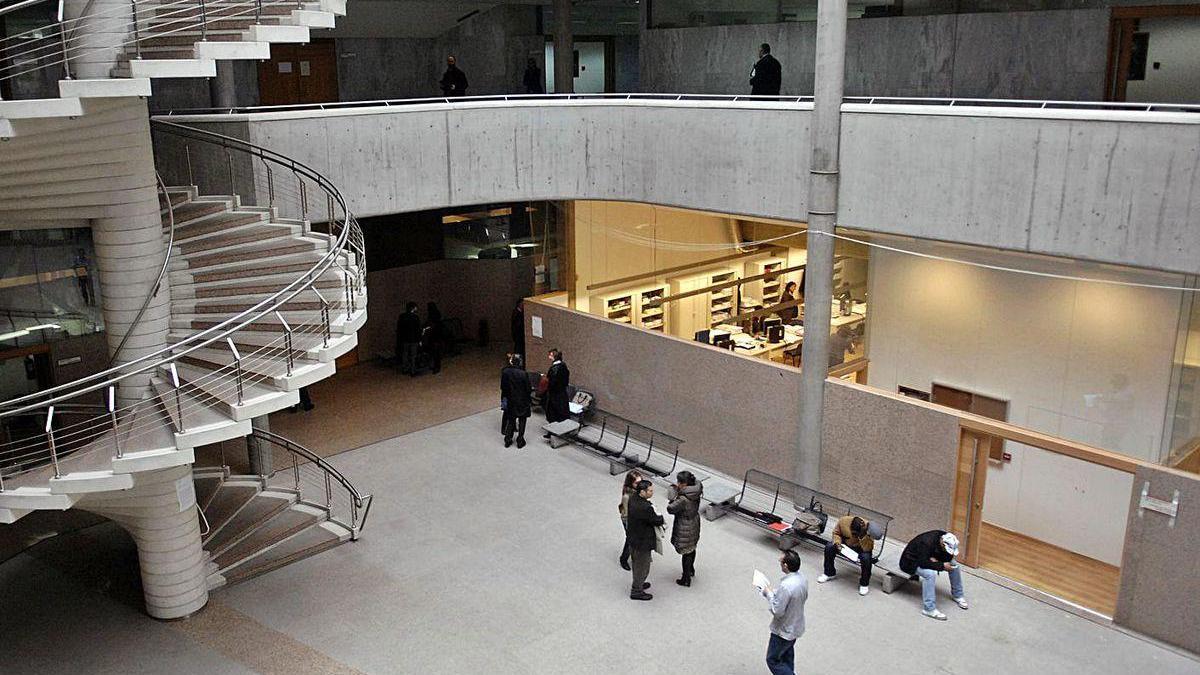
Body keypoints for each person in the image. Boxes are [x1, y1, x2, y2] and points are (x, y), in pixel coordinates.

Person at [899, 530, 969, 621]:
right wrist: (941, 566)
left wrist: (938, 561)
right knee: (930, 574)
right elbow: (923, 563)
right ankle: (929, 608)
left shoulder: (944, 537)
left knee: (954, 565)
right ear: (943, 544)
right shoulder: (926, 542)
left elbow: (948, 557)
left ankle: (958, 595)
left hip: (927, 557)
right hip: (910, 562)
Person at [760, 549, 808, 675]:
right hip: (796, 625)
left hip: (783, 630)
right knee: (787, 654)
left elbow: (778, 610)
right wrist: (775, 592)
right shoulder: (802, 578)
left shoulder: (786, 586)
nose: (779, 561)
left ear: (786, 565)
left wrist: (768, 594)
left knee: (773, 660)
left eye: (781, 561)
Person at [817, 515, 875, 595]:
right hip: (846, 544)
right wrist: (837, 543)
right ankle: (829, 573)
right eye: (854, 534)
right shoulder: (843, 521)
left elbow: (869, 548)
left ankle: (864, 583)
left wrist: (862, 536)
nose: (855, 536)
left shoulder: (868, 528)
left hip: (861, 547)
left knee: (866, 558)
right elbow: (836, 533)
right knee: (829, 547)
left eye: (857, 534)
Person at [625, 479, 663, 601]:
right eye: (650, 491)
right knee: (642, 567)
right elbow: (657, 520)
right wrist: (660, 516)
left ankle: (639, 584)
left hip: (633, 538)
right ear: (642, 492)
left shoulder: (633, 499)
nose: (652, 493)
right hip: (642, 542)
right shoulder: (645, 507)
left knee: (637, 564)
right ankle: (636, 590)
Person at [666, 470, 702, 587]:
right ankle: (691, 570)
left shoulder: (683, 499)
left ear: (684, 484)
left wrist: (673, 495)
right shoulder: (696, 490)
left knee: (685, 552)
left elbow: (670, 509)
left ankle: (685, 578)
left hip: (684, 525)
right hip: (694, 522)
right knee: (691, 548)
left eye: (679, 482)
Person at [500, 353, 532, 448]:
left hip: (510, 400)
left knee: (511, 420)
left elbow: (503, 387)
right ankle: (520, 440)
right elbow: (528, 389)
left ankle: (508, 439)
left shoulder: (505, 372)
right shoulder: (523, 374)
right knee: (522, 421)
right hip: (522, 401)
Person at [618, 470, 644, 570]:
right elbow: (629, 513)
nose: (639, 485)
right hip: (628, 520)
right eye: (637, 483)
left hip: (634, 518)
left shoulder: (637, 493)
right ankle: (623, 559)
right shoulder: (627, 496)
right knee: (630, 540)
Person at [541, 348, 570, 437]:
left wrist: (546, 379)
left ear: (554, 356)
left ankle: (552, 433)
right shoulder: (563, 366)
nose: (549, 356)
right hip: (562, 393)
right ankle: (562, 432)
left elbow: (552, 383)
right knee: (561, 413)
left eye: (550, 355)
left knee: (552, 414)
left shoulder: (554, 369)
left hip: (554, 395)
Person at [395, 302, 422, 375]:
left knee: (405, 354)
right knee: (413, 355)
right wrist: (419, 339)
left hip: (405, 339)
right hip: (414, 339)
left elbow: (399, 328)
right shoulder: (415, 317)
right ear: (413, 308)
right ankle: (413, 370)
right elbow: (418, 329)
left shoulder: (402, 316)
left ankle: (405, 369)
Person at [425, 302, 444, 374]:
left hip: (433, 337)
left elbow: (429, 326)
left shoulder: (431, 317)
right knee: (437, 353)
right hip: (437, 336)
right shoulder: (438, 317)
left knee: (434, 353)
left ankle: (435, 367)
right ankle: (436, 367)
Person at [510, 300, 525, 365]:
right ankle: (518, 363)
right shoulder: (517, 313)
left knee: (519, 349)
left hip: (518, 335)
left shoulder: (519, 312)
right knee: (518, 349)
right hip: (518, 335)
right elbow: (518, 325)